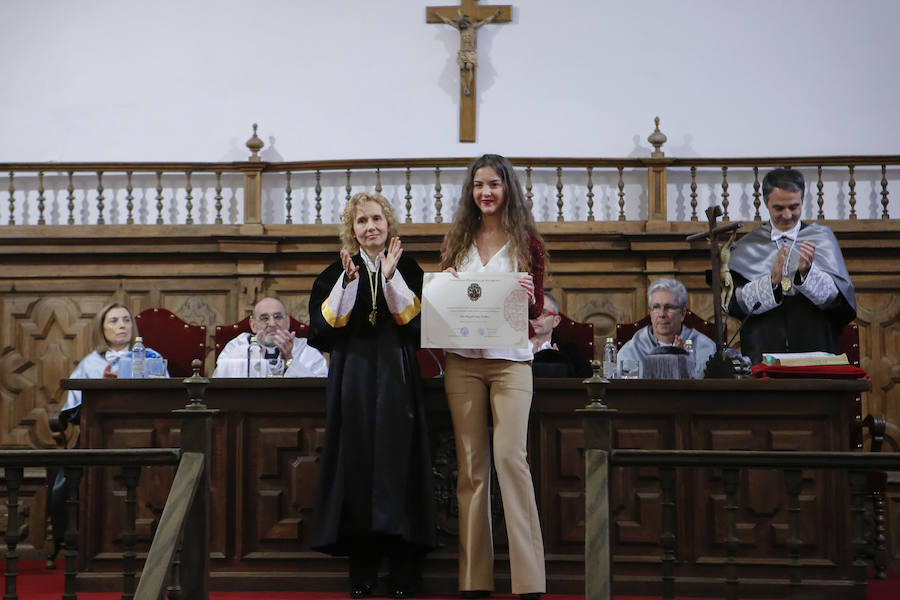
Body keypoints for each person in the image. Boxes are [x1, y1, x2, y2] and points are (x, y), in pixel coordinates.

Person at [308, 192, 436, 599]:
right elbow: (322, 330)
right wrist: (349, 283)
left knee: (401, 466)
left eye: (377, 219)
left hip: (398, 378)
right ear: (352, 229)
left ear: (389, 224)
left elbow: (418, 326)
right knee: (356, 467)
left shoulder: (411, 268)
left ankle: (404, 573)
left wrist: (392, 278)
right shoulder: (335, 272)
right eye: (361, 221)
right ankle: (361, 571)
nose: (370, 227)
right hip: (353, 379)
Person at [440, 154, 546, 600]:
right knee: (471, 468)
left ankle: (529, 582)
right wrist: (444, 286)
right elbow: (445, 304)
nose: (486, 192)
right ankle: (473, 581)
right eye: (479, 185)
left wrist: (530, 296)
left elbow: (537, 311)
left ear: (508, 190)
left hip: (511, 362)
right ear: (471, 192)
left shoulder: (527, 242)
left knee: (511, 460)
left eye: (495, 185)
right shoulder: (457, 239)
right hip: (463, 362)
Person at [50, 303, 166, 564]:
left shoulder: (151, 358)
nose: (121, 325)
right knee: (64, 476)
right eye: (113, 321)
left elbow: (166, 401)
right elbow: (72, 410)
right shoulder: (89, 364)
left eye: (126, 320)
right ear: (102, 329)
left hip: (146, 439)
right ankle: (69, 542)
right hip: (96, 441)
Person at [727, 168, 856, 364]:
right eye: (779, 208)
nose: (787, 215)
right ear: (766, 203)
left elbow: (839, 303)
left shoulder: (822, 239)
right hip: (763, 351)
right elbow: (737, 305)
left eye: (794, 207)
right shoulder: (747, 247)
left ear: (802, 201)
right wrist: (771, 282)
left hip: (816, 350)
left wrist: (806, 274)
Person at [617, 278, 717, 378]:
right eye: (656, 307)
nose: (661, 314)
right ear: (650, 313)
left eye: (669, 307)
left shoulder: (705, 348)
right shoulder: (631, 351)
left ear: (682, 313)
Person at [212, 297, 328, 378]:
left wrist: (289, 360)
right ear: (253, 325)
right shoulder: (237, 346)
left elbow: (318, 390)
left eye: (278, 317)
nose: (272, 324)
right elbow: (222, 383)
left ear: (287, 322)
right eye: (264, 318)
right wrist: (253, 358)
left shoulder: (305, 349)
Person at [433, 9, 501, 96]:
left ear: (466, 23)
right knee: (461, 68)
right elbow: (448, 22)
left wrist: (495, 15)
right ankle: (465, 87)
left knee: (469, 68)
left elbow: (486, 21)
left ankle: (468, 87)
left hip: (470, 53)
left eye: (462, 24)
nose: (461, 26)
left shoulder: (473, 27)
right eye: (460, 25)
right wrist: (438, 15)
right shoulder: (461, 29)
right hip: (462, 53)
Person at [530, 292, 592, 378]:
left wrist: (559, 365)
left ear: (556, 321)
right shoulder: (512, 349)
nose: (536, 317)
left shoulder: (570, 350)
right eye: (532, 312)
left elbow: (585, 379)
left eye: (543, 312)